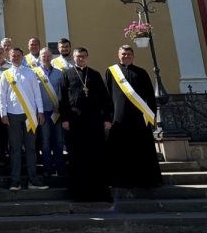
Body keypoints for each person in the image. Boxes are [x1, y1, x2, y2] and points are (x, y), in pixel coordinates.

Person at [59, 47, 113, 202]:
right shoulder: (67, 75)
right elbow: (62, 98)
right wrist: (64, 119)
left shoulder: (95, 74)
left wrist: (107, 118)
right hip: (75, 122)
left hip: (94, 121)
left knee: (96, 156)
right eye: (78, 56)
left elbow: (104, 98)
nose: (81, 59)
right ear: (73, 58)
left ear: (87, 57)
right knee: (76, 157)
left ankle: (99, 194)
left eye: (83, 56)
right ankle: (78, 194)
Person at [105, 45, 162, 189]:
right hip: (119, 118)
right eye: (123, 54)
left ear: (133, 55)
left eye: (129, 54)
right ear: (119, 55)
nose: (126, 56)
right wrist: (107, 117)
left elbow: (149, 95)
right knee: (119, 149)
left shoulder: (141, 72)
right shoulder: (111, 72)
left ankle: (145, 180)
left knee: (141, 150)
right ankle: (119, 180)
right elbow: (107, 96)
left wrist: (152, 115)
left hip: (139, 118)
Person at [0, 48, 47, 191]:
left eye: (19, 56)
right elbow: (2, 95)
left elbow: (37, 94)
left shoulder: (30, 73)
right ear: (9, 56)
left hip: (30, 114)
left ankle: (33, 179)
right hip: (12, 114)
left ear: (22, 57)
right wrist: (3, 113)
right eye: (14, 56)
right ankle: (15, 180)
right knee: (15, 148)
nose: (16, 58)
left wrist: (41, 112)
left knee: (31, 147)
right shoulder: (5, 74)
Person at [35, 48, 64, 177]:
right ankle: (47, 168)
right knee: (45, 141)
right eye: (43, 56)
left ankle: (59, 167)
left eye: (48, 56)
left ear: (51, 57)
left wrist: (61, 105)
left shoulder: (60, 73)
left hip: (56, 112)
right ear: (39, 58)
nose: (46, 58)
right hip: (42, 112)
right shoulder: (34, 73)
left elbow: (63, 91)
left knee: (58, 140)